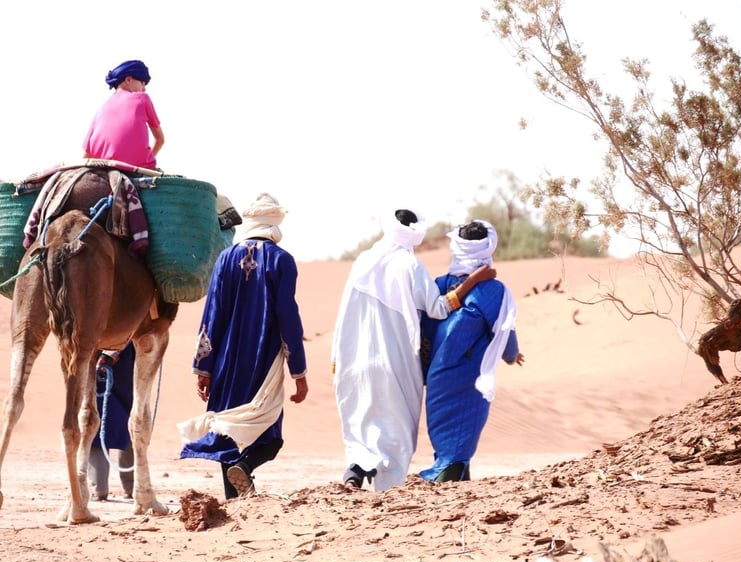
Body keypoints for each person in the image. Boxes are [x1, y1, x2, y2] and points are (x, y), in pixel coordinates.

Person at [332, 209, 496, 492]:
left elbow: (344, 309)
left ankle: (356, 467)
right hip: (394, 361)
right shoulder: (410, 266)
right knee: (397, 429)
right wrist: (475, 281)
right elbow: (439, 308)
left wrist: (336, 355)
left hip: (354, 357)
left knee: (362, 419)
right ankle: (385, 492)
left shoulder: (363, 261)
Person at [177, 193, 309, 499]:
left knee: (228, 433)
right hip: (262, 361)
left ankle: (236, 500)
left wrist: (204, 368)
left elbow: (212, 314)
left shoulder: (225, 258)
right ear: (275, 224)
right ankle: (245, 468)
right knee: (269, 437)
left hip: (226, 361)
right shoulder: (282, 260)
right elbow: (288, 317)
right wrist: (298, 371)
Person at [419, 220, 524, 483]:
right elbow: (505, 330)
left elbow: (426, 329)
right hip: (469, 372)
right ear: (488, 246)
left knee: (442, 422)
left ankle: (451, 470)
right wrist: (511, 355)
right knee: (464, 424)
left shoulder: (439, 284)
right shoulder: (492, 289)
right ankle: (451, 471)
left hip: (437, 371)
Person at [82, 59, 165, 170]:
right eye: (142, 83)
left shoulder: (101, 108)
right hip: (136, 166)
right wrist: (147, 163)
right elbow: (160, 139)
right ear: (128, 80)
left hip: (102, 167)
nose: (144, 89)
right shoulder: (142, 98)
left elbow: (87, 153)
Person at [88, 344, 136, 501]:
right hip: (126, 352)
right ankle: (131, 487)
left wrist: (109, 354)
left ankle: (100, 488)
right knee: (126, 417)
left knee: (97, 420)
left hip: (106, 354)